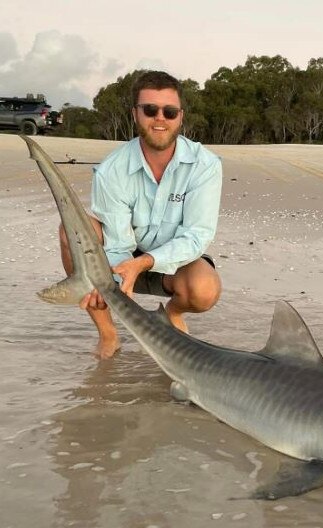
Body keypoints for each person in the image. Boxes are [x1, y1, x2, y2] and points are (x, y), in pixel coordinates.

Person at [59, 70, 222, 359]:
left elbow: (197, 236)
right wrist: (109, 284)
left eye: (169, 112)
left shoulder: (205, 165)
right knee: (71, 229)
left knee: (205, 289)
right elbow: (118, 244)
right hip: (122, 261)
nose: (160, 118)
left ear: (180, 117)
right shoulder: (112, 169)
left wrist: (146, 262)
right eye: (150, 109)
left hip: (172, 264)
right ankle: (108, 334)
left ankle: (170, 315)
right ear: (136, 114)